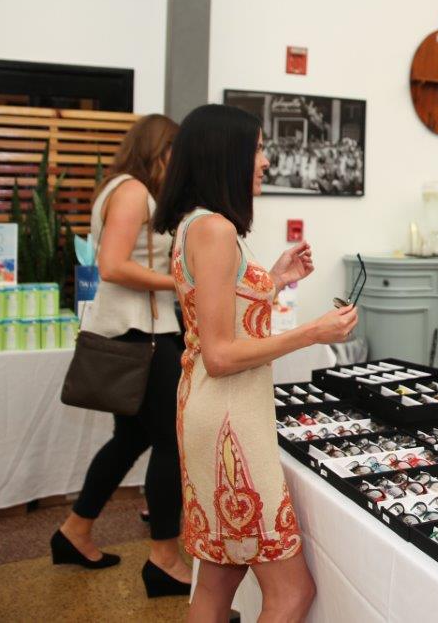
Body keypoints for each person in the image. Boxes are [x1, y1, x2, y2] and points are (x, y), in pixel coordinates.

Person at [153, 104, 359, 622]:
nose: (265, 161)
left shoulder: (197, 225)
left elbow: (217, 313)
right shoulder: (216, 230)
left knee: (219, 579)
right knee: (292, 592)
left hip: (213, 410)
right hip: (229, 421)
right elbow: (222, 354)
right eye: (259, 149)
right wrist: (313, 332)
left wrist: (275, 279)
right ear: (229, 155)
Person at [51, 114, 191, 597]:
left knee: (130, 439)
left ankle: (75, 529)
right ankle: (165, 558)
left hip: (139, 332)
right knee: (173, 442)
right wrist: (180, 283)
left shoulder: (126, 188)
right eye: (175, 150)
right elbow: (112, 265)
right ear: (157, 149)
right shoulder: (132, 191)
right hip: (139, 336)